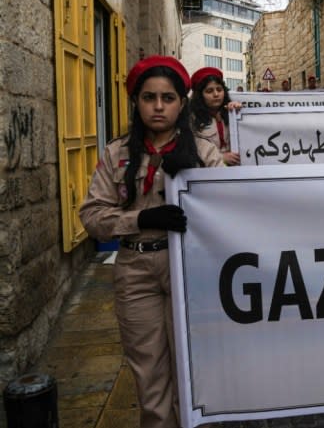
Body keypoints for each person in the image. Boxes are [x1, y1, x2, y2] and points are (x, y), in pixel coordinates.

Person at [79, 56, 224, 428]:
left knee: (192, 368)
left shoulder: (204, 153)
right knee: (149, 373)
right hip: (136, 271)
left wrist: (193, 181)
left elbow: (227, 214)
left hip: (188, 270)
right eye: (148, 97)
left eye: (168, 98)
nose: (158, 107)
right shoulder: (117, 153)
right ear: (136, 102)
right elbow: (92, 217)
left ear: (181, 102)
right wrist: (140, 219)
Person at [189, 67, 241, 166]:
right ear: (200, 95)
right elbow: (197, 150)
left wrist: (239, 113)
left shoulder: (231, 112)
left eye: (219, 89)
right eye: (209, 91)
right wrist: (222, 157)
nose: (216, 94)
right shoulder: (192, 119)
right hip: (208, 175)